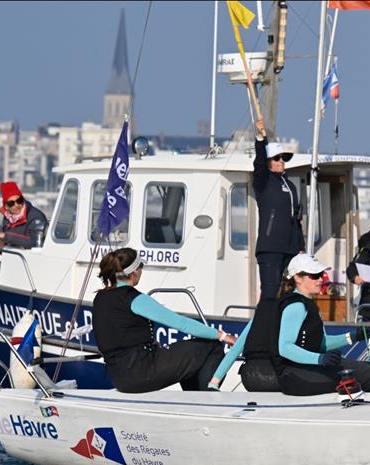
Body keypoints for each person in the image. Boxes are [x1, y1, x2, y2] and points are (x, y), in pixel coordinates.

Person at [92, 247, 236, 393]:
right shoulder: (134, 299)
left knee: (186, 357)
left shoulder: (100, 298)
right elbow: (181, 324)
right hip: (142, 373)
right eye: (141, 267)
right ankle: (204, 397)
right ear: (134, 272)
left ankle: (194, 395)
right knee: (212, 346)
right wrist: (223, 336)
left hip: (120, 378)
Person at [273, 254, 370, 396]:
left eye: (321, 274)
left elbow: (321, 344)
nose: (320, 279)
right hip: (297, 373)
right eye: (315, 275)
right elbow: (285, 348)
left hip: (307, 368)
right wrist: (319, 359)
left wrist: (354, 337)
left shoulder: (305, 303)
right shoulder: (297, 306)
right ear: (298, 278)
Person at [253, 117, 305, 300]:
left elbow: (296, 219)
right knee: (270, 292)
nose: (282, 161)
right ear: (268, 162)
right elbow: (259, 163)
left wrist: (300, 247)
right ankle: (262, 326)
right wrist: (260, 139)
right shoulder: (263, 181)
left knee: (289, 293)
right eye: (277, 158)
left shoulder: (290, 185)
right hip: (270, 248)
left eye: (284, 158)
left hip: (290, 249)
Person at [207, 298, 282, 392]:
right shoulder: (295, 309)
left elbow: (236, 348)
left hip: (251, 376)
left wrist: (214, 382)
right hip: (277, 376)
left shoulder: (261, 314)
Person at [0, 181, 48, 250]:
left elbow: (35, 243)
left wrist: (5, 236)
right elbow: (2, 249)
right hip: (13, 256)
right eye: (11, 203)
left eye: (19, 200)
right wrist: (0, 246)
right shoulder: (7, 217)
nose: (16, 205)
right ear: (6, 206)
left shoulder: (36, 216)